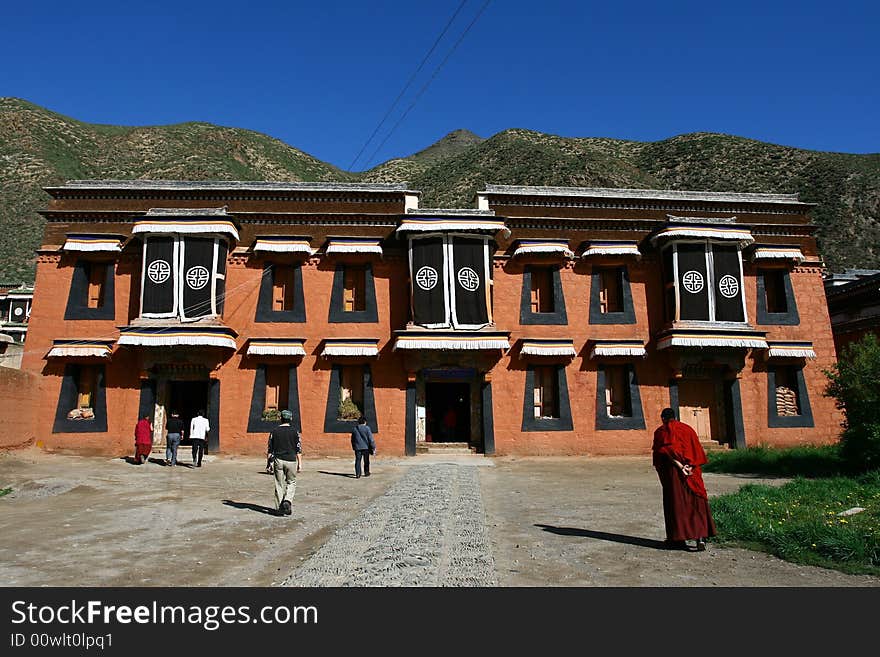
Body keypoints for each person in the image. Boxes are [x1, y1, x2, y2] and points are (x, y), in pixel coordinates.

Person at [652, 407, 717, 551]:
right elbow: (697, 452)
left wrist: (680, 466)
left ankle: (678, 539)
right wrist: (690, 466)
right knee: (696, 502)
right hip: (692, 473)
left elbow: (664, 452)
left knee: (677, 504)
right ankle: (700, 537)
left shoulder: (661, 432)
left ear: (663, 418)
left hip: (674, 474)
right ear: (675, 417)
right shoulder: (688, 429)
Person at [267, 409, 302, 516]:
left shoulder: (274, 431)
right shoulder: (295, 431)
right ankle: (287, 500)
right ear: (290, 419)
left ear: (281, 418)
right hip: (291, 460)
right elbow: (298, 449)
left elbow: (270, 449)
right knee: (291, 482)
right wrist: (300, 463)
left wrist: (268, 463)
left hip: (278, 460)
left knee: (279, 483)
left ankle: (279, 508)